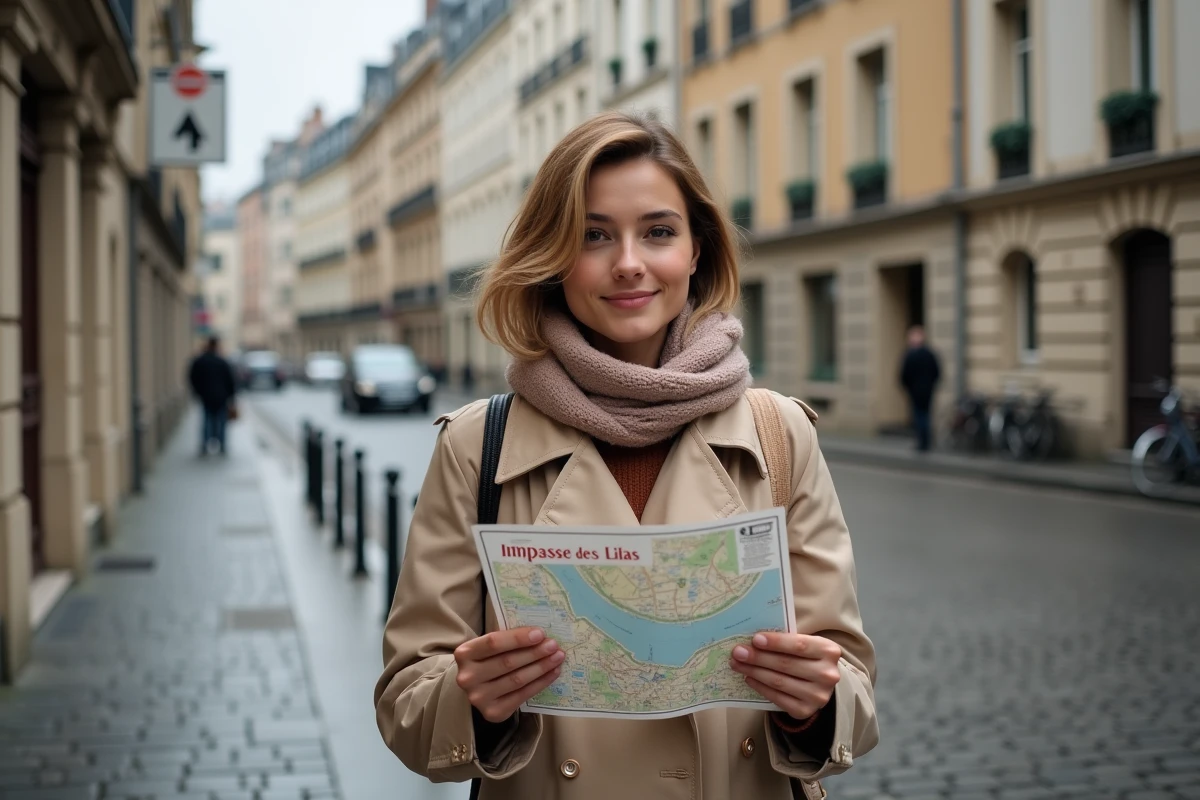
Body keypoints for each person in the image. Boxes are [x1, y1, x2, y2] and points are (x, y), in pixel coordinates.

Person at [374, 113, 877, 800]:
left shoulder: (778, 435)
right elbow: (408, 703)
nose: (630, 262)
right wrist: (473, 700)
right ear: (552, 254)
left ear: (697, 250)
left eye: (659, 232)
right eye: (594, 236)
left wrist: (817, 704)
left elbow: (851, 681)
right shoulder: (475, 446)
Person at [187, 336, 237, 457]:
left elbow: (192, 378)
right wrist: (231, 396)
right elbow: (230, 380)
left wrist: (198, 392)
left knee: (207, 421)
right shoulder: (222, 361)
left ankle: (205, 446)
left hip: (206, 396)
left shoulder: (200, 361)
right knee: (221, 422)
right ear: (216, 346)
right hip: (221, 397)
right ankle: (222, 446)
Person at [899, 325, 941, 452]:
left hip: (917, 392)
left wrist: (908, 387)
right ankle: (926, 441)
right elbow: (937, 372)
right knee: (925, 415)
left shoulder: (911, 355)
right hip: (926, 390)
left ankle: (923, 442)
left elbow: (904, 375)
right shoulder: (929, 353)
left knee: (920, 416)